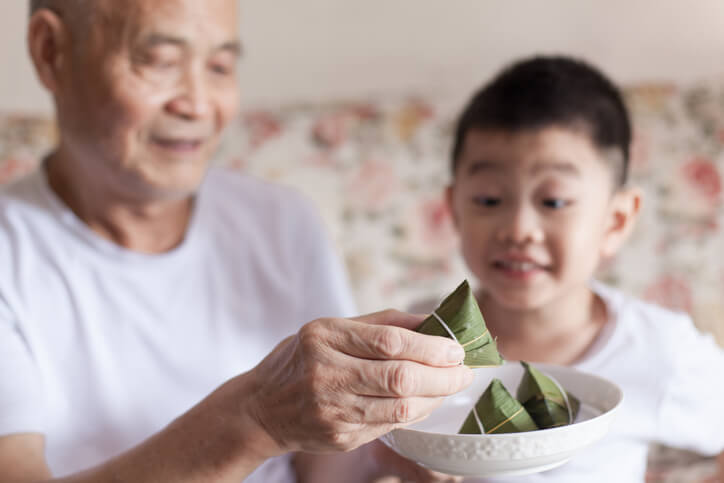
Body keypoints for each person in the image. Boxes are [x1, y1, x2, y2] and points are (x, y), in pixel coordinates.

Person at [0, 1, 473, 482]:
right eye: (160, 62)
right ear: (50, 50)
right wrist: (255, 417)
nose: (200, 104)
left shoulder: (281, 220)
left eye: (220, 66)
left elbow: (321, 469)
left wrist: (390, 448)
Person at [408, 56, 723, 482]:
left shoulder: (660, 350)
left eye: (553, 201)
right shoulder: (421, 336)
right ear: (453, 209)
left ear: (616, 220)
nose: (518, 229)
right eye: (488, 200)